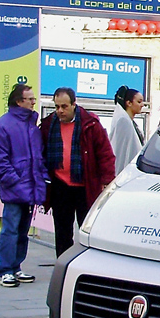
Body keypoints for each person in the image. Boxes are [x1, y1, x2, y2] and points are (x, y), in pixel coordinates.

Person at [40, 87, 117, 257]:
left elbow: (105, 154)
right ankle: (63, 263)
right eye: (57, 106)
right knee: (62, 231)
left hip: (86, 186)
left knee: (87, 228)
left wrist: (107, 181)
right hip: (60, 185)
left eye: (64, 106)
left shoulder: (91, 124)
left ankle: (87, 262)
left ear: (74, 104)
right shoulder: (47, 125)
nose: (60, 111)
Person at [0, 83, 47, 287]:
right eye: (30, 98)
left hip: (29, 188)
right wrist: (15, 181)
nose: (33, 101)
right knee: (11, 230)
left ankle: (15, 267)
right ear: (19, 101)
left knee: (22, 231)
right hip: (16, 190)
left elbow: (38, 158)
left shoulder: (31, 125)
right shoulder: (4, 125)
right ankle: (4, 270)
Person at [110, 85, 145, 175]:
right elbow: (120, 151)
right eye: (139, 101)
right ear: (128, 103)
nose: (142, 105)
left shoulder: (131, 122)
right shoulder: (123, 121)